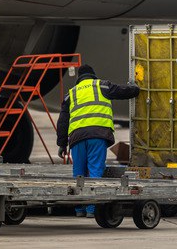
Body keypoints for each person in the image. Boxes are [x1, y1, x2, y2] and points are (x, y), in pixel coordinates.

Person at [56, 64, 139, 217]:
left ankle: (79, 209)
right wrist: (135, 88)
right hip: (97, 135)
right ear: (93, 75)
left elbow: (62, 121)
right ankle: (91, 210)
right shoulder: (102, 86)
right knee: (95, 171)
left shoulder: (71, 94)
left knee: (79, 173)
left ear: (79, 78)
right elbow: (122, 91)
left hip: (77, 138)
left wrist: (62, 143)